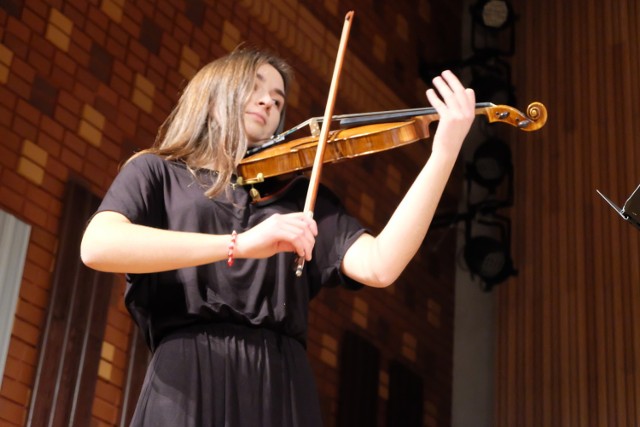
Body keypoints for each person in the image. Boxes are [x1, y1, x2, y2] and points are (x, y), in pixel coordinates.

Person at [80, 47, 475, 426]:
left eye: (278, 99)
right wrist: (242, 243)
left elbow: (380, 265)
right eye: (255, 87)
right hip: (187, 375)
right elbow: (98, 246)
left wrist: (443, 153)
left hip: (279, 381)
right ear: (213, 95)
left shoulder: (300, 198)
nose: (269, 103)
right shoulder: (159, 172)